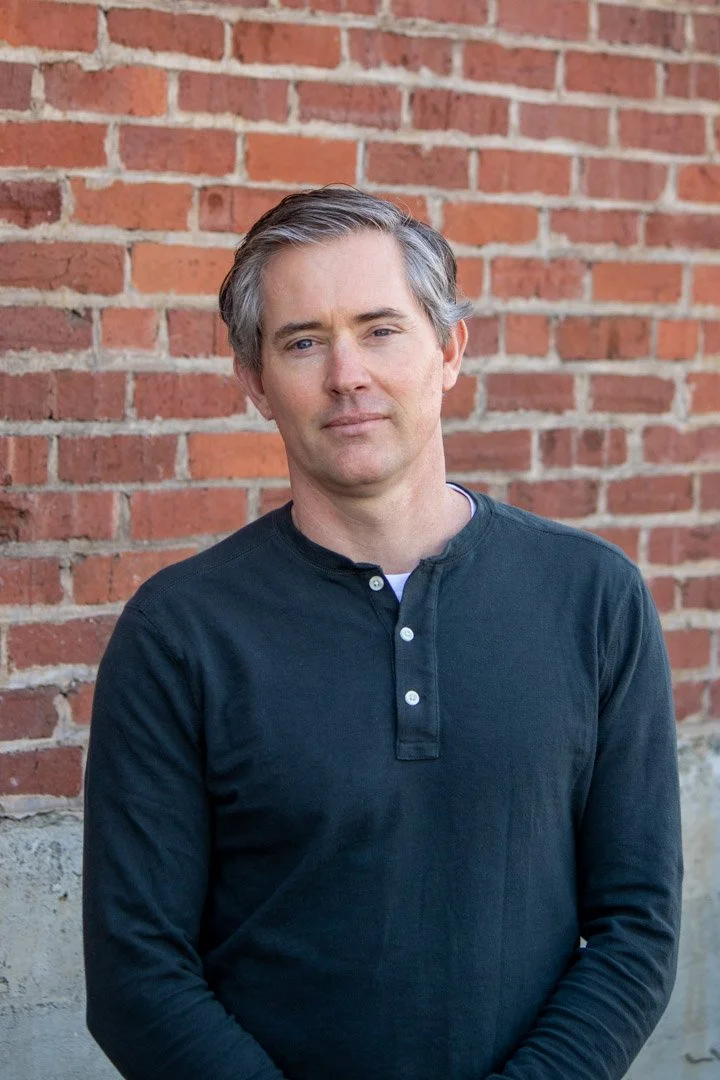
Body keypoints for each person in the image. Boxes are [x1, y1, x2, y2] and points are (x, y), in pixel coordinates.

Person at [83, 186, 682, 1080]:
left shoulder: (592, 598)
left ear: (449, 349)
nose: (345, 373)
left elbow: (637, 926)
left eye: (381, 328)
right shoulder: (179, 632)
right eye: (303, 341)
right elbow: (136, 972)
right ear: (253, 379)